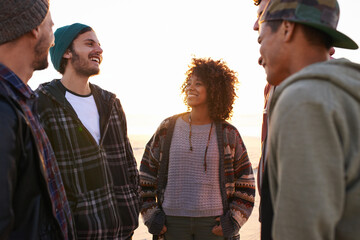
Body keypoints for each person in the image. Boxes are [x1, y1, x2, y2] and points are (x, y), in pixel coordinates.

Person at [257, 0, 360, 239]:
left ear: (286, 28)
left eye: (261, 39)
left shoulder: (304, 100)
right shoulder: (347, 91)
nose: (260, 56)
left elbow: (302, 229)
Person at [36, 23, 140, 239]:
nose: (99, 50)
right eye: (89, 43)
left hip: (123, 232)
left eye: (99, 45)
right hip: (77, 233)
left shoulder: (111, 103)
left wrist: (133, 202)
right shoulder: (42, 103)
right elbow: (39, 179)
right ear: (66, 52)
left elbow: (129, 163)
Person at [140, 57, 255, 240]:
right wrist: (151, 217)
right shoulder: (167, 128)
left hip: (213, 226)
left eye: (198, 83)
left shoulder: (229, 134)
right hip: (171, 225)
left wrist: (233, 222)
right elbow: (146, 174)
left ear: (215, 90)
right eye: (189, 83)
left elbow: (246, 182)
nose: (190, 87)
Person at [0, 0, 74, 239]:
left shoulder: (20, 101)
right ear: (34, 27)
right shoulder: (4, 110)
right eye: (51, 27)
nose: (53, 40)